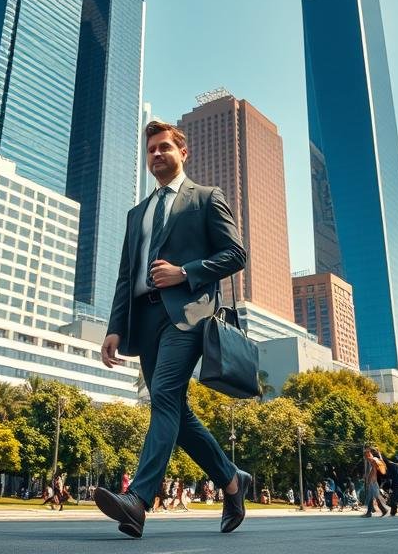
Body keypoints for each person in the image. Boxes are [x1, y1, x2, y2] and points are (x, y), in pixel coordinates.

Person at [94, 121, 250, 540]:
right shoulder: (136, 213)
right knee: (175, 412)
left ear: (184, 153)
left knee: (163, 395)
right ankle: (233, 481)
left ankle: (138, 501)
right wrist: (114, 329)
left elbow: (236, 254)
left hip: (188, 316)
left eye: (165, 147)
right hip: (144, 321)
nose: (157, 154)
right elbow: (127, 276)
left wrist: (185, 272)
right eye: (151, 150)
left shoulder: (206, 199)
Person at [362, 447, 386, 517]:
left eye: (366, 454)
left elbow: (374, 471)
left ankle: (369, 513)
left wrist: (370, 479)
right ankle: (383, 510)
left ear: (369, 453)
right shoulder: (376, 459)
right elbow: (381, 463)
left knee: (372, 497)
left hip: (373, 482)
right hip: (374, 481)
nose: (365, 456)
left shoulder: (372, 460)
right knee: (373, 496)